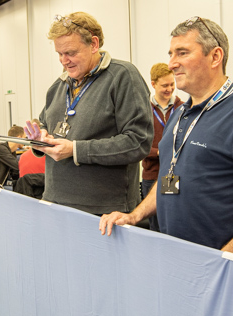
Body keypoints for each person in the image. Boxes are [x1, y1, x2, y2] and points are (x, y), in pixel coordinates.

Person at [99, 16, 233, 259]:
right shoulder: (180, 113)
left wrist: (225, 258)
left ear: (215, 57)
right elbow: (168, 179)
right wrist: (135, 215)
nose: (172, 64)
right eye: (171, 54)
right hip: (177, 256)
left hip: (223, 268)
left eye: (182, 53)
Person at [24, 12, 153, 215]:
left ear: (94, 44)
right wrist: (40, 139)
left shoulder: (122, 76)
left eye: (71, 53)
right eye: (59, 54)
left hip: (104, 212)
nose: (64, 61)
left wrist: (76, 150)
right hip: (55, 203)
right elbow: (44, 124)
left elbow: (138, 142)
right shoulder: (58, 87)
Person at [141, 63, 183, 232]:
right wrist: (158, 152)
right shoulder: (143, 110)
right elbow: (138, 145)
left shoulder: (182, 108)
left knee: (172, 222)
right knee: (155, 224)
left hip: (171, 176)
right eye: (164, 85)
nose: (169, 89)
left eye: (172, 84)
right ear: (153, 84)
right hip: (151, 175)